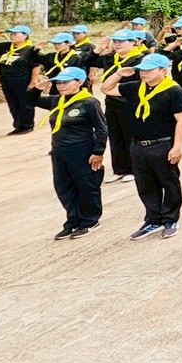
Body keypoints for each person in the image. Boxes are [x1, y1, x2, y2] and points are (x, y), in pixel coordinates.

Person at [102, 53, 182, 240]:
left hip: (162, 144)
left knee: (169, 182)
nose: (144, 73)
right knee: (145, 184)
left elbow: (181, 120)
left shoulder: (174, 91)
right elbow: (106, 88)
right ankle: (153, 219)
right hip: (138, 145)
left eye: (149, 70)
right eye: (142, 70)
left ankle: (170, 219)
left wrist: (177, 146)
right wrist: (118, 73)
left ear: (163, 71)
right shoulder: (136, 87)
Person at [30, 65, 107, 237]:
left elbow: (101, 129)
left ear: (79, 82)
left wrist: (98, 151)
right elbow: (30, 101)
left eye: (66, 82)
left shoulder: (89, 102)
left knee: (86, 185)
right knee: (64, 186)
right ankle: (73, 219)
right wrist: (37, 89)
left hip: (81, 149)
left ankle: (90, 220)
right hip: (59, 150)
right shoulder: (57, 100)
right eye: (58, 83)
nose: (61, 86)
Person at [89, 30, 149, 183]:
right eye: (115, 41)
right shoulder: (110, 58)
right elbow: (87, 60)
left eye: (122, 41)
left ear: (133, 42)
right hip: (112, 102)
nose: (118, 44)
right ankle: (119, 169)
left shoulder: (140, 60)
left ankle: (133, 169)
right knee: (115, 135)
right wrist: (99, 49)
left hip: (131, 103)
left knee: (130, 136)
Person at [0, 24, 39, 134]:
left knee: (24, 102)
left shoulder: (30, 49)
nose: (12, 36)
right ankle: (18, 125)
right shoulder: (6, 46)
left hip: (22, 79)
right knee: (12, 103)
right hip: (6, 79)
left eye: (15, 34)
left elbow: (36, 66)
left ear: (25, 36)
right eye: (11, 34)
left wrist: (33, 82)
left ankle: (28, 125)